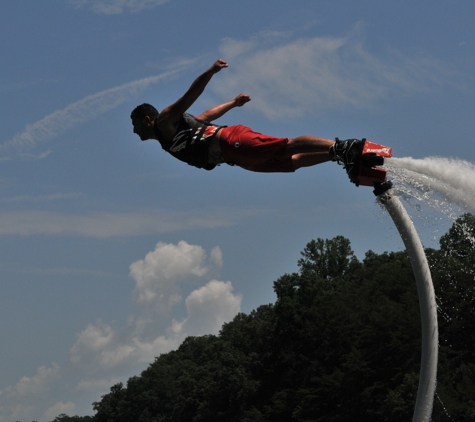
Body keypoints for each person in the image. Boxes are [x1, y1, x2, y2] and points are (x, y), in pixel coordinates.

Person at [131, 59, 358, 173]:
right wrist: (233, 103)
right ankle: (336, 155)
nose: (134, 131)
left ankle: (344, 146)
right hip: (234, 158)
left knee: (287, 147)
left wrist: (211, 72)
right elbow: (205, 116)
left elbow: (191, 95)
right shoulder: (167, 135)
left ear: (147, 120)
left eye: (135, 124)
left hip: (230, 140)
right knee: (291, 163)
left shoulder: (164, 120)